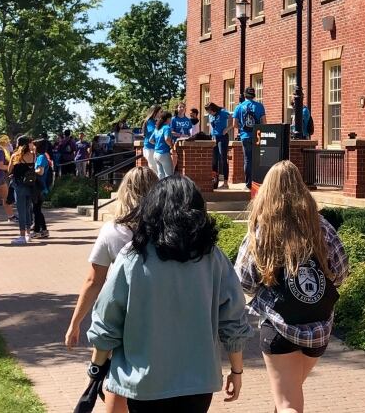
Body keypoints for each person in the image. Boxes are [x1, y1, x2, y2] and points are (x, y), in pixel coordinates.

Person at [87, 175, 252, 412]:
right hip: (199, 381)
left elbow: (107, 320)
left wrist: (96, 368)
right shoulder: (213, 258)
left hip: (144, 382)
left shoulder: (132, 257)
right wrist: (236, 370)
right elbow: (234, 319)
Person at [234, 160, 348, 413]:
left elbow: (242, 280)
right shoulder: (322, 226)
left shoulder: (262, 230)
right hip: (318, 328)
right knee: (288, 394)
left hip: (279, 327)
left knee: (287, 404)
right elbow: (340, 271)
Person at [65, 166, 158, 413]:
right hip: (161, 316)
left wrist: (76, 322)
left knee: (116, 384)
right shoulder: (168, 231)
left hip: (122, 317)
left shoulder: (114, 230)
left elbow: (93, 281)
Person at [231, 86, 266, 188]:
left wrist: (242, 128)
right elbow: (264, 122)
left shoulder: (239, 107)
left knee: (247, 160)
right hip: (257, 136)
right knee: (258, 159)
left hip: (245, 136)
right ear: (254, 95)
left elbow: (234, 124)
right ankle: (258, 183)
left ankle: (248, 184)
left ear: (245, 95)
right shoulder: (260, 106)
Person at [7, 136, 36, 245]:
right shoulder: (33, 155)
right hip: (30, 185)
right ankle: (28, 233)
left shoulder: (15, 156)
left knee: (21, 210)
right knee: (28, 209)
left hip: (19, 185)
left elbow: (9, 170)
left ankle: (22, 235)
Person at [207, 103, 233, 190]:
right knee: (214, 160)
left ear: (213, 109)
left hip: (222, 138)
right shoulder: (210, 115)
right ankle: (215, 182)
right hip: (214, 138)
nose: (209, 113)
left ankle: (225, 183)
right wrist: (211, 135)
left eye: (210, 111)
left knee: (223, 158)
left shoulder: (223, 112)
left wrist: (227, 128)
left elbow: (232, 119)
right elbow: (210, 125)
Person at [30, 139, 51, 239]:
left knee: (36, 210)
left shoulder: (41, 157)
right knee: (37, 209)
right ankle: (43, 230)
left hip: (40, 187)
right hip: (41, 187)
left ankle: (37, 230)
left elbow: (40, 171)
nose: (32, 147)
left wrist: (31, 171)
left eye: (34, 146)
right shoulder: (41, 156)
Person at [150, 111, 174, 179]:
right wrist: (171, 145)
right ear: (168, 119)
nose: (171, 120)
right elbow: (166, 139)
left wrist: (158, 144)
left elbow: (150, 140)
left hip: (156, 154)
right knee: (169, 175)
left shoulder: (157, 128)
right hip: (164, 153)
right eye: (170, 118)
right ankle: (169, 189)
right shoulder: (167, 128)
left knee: (160, 175)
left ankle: (161, 189)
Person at [142, 105, 163, 174]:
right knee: (154, 169)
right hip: (150, 148)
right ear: (155, 112)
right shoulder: (150, 121)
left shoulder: (156, 121)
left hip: (155, 148)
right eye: (160, 112)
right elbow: (152, 132)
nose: (161, 114)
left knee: (159, 169)